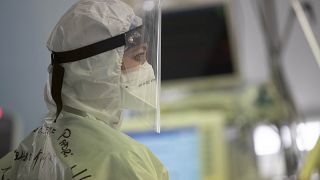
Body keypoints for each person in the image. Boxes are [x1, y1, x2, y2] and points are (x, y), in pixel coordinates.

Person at [0, 0, 168, 179]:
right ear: (99, 67)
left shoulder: (18, 159)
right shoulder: (126, 162)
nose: (145, 67)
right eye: (139, 56)